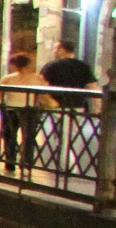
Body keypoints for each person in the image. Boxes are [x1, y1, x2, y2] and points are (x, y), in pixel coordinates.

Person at [40, 41, 97, 175]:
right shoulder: (83, 66)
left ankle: (65, 166)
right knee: (73, 135)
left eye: (55, 48)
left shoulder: (51, 66)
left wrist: (48, 100)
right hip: (77, 106)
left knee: (61, 136)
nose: (54, 51)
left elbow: (41, 83)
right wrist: (96, 105)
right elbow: (92, 86)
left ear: (62, 50)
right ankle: (70, 163)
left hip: (57, 106)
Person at [0, 50, 51, 174]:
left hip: (11, 110)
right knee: (28, 137)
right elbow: (43, 93)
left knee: (9, 136)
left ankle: (10, 163)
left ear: (14, 65)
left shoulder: (7, 79)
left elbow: (0, 94)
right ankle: (26, 163)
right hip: (29, 110)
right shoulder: (37, 78)